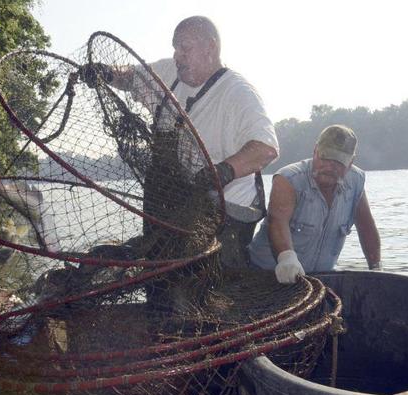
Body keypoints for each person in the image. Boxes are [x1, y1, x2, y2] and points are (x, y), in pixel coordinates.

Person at [81, 16, 279, 267]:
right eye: (175, 47)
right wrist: (107, 73)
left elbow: (266, 149)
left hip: (228, 211)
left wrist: (223, 171)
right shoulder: (169, 74)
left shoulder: (238, 93)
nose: (177, 55)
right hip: (176, 200)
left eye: (185, 48)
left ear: (210, 47)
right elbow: (130, 77)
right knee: (163, 273)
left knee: (207, 283)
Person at [248, 124, 381, 283]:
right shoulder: (288, 179)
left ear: (351, 162)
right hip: (266, 275)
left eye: (339, 161)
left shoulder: (356, 181)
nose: (330, 166)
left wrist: (376, 268)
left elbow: (366, 227)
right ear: (315, 151)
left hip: (319, 280)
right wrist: (286, 257)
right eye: (325, 157)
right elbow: (277, 221)